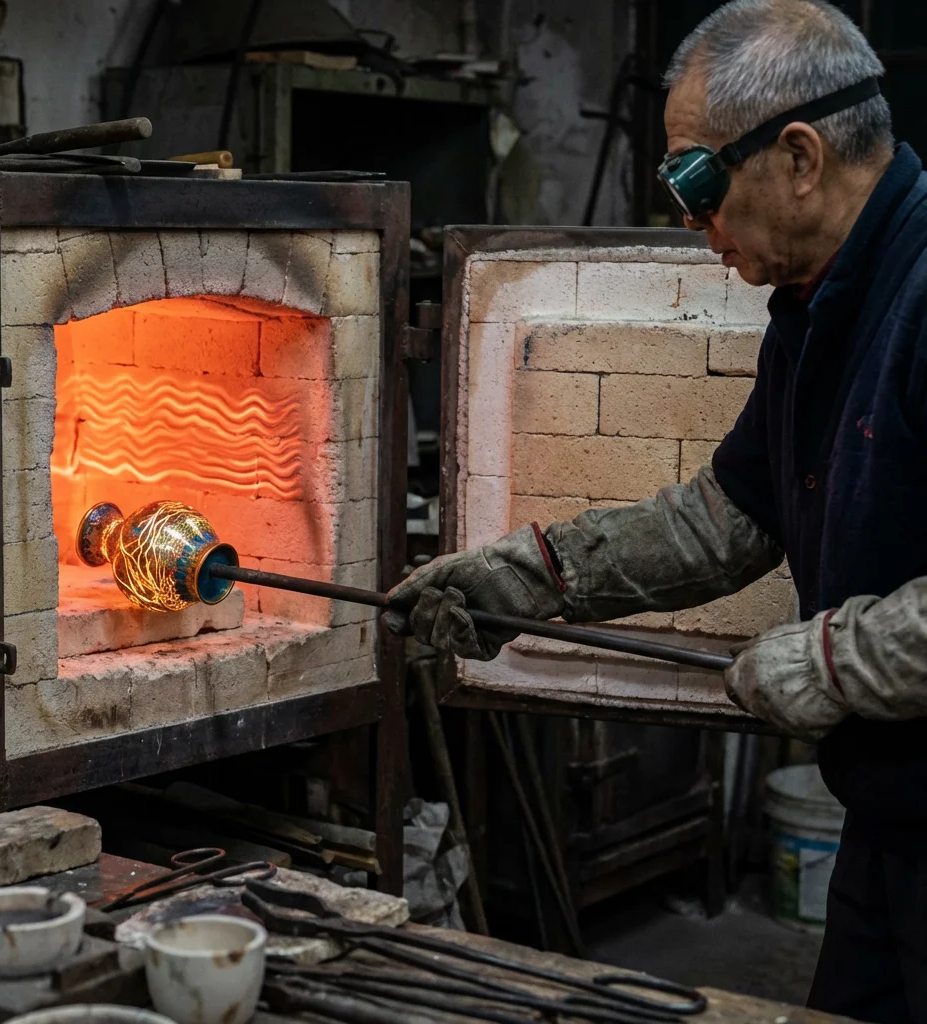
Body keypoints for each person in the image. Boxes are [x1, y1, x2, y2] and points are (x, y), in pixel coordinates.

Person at [384, 1, 927, 1020]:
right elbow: (726, 517)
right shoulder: (816, 305)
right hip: (889, 819)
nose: (686, 213)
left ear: (799, 156)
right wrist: (533, 575)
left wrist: (832, 660)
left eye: (694, 176)